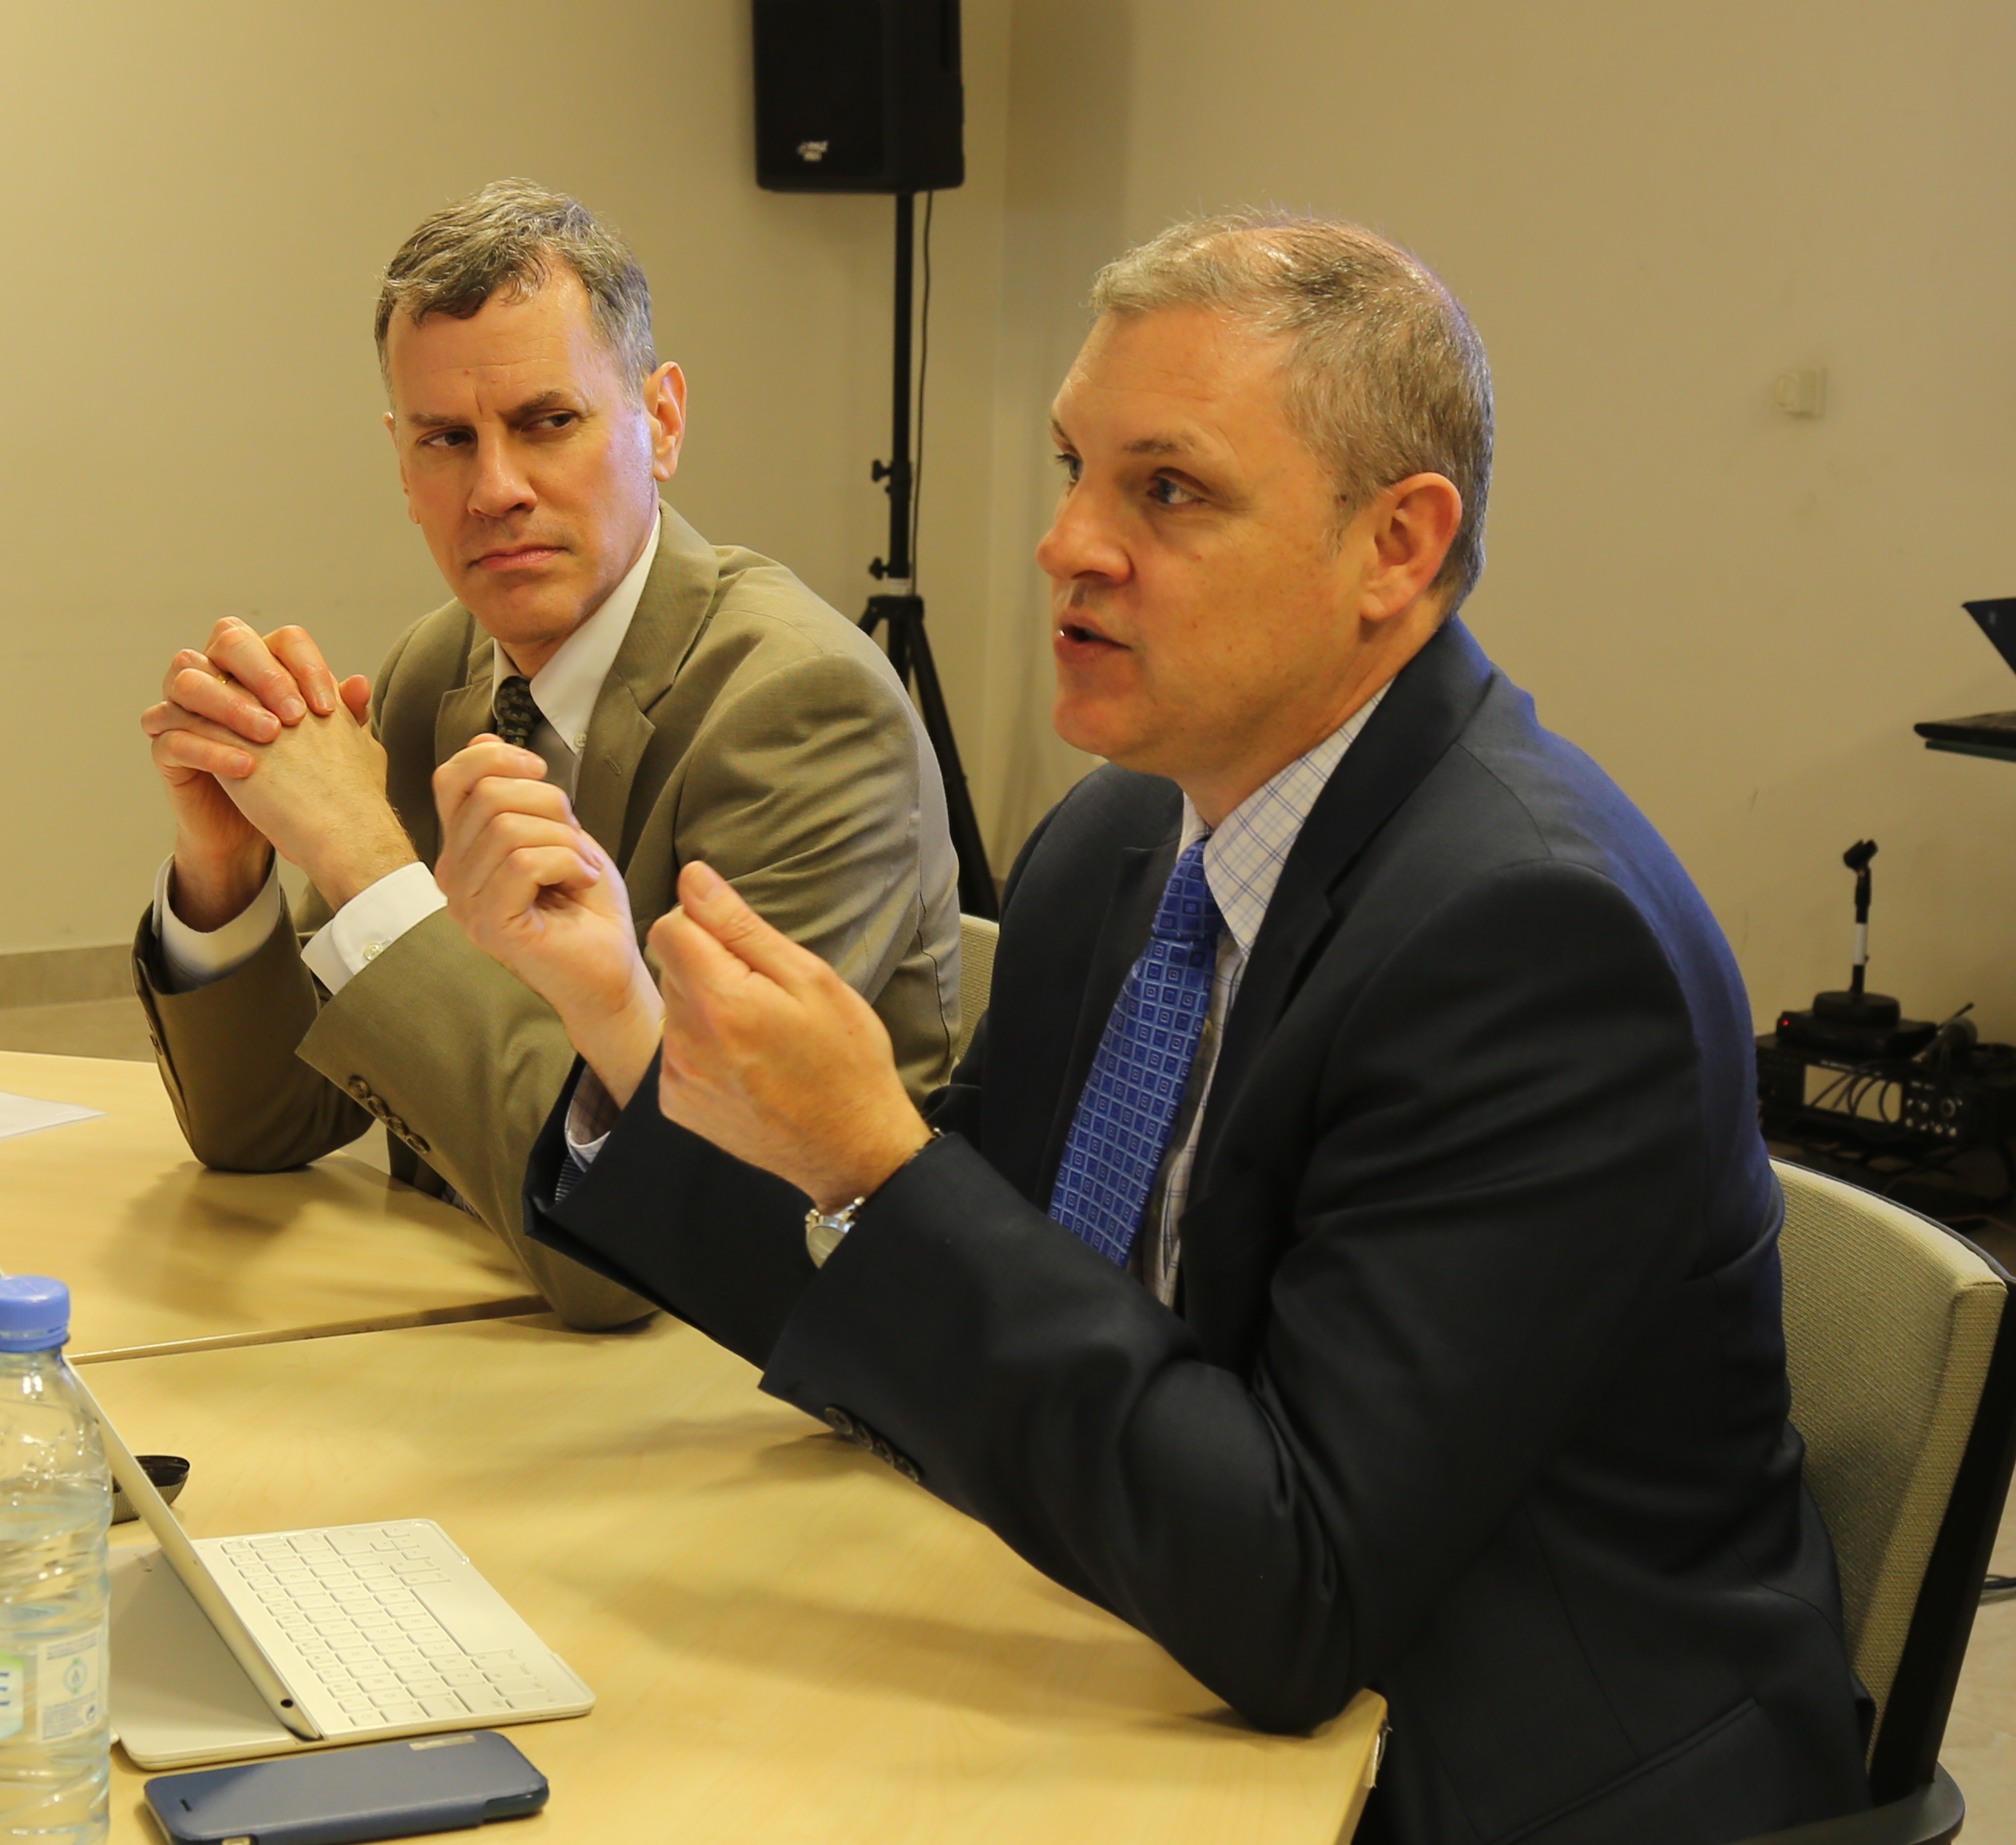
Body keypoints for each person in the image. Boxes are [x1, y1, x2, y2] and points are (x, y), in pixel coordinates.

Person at [438, 212, 1865, 1844]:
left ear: (1396, 548)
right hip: (1153, 1626)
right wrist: (615, 1009)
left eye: (1166, 492)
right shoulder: (1121, 840)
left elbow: (1297, 1585)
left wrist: (880, 1161)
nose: (1067, 546)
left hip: (1486, 1762)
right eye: (1072, 471)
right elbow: (923, 1304)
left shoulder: (1531, 940)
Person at [129, 180, 961, 1330]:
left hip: (741, 1380)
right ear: (401, 462)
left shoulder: (801, 706)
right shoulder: (443, 668)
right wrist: (227, 867)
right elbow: (265, 1129)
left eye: (547, 422)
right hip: (482, 1322)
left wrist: (370, 861)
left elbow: (646, 1250)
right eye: (447, 440)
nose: (497, 490)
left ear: (660, 423)